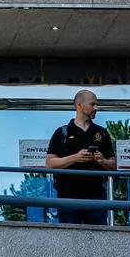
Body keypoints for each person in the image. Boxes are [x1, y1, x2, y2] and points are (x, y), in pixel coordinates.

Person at [45, 89, 116, 225]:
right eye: (92, 104)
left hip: (96, 197)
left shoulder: (101, 132)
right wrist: (75, 158)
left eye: (96, 104)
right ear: (79, 105)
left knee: (99, 240)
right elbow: (49, 163)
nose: (96, 108)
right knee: (69, 240)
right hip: (68, 198)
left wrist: (102, 161)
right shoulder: (62, 132)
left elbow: (113, 166)